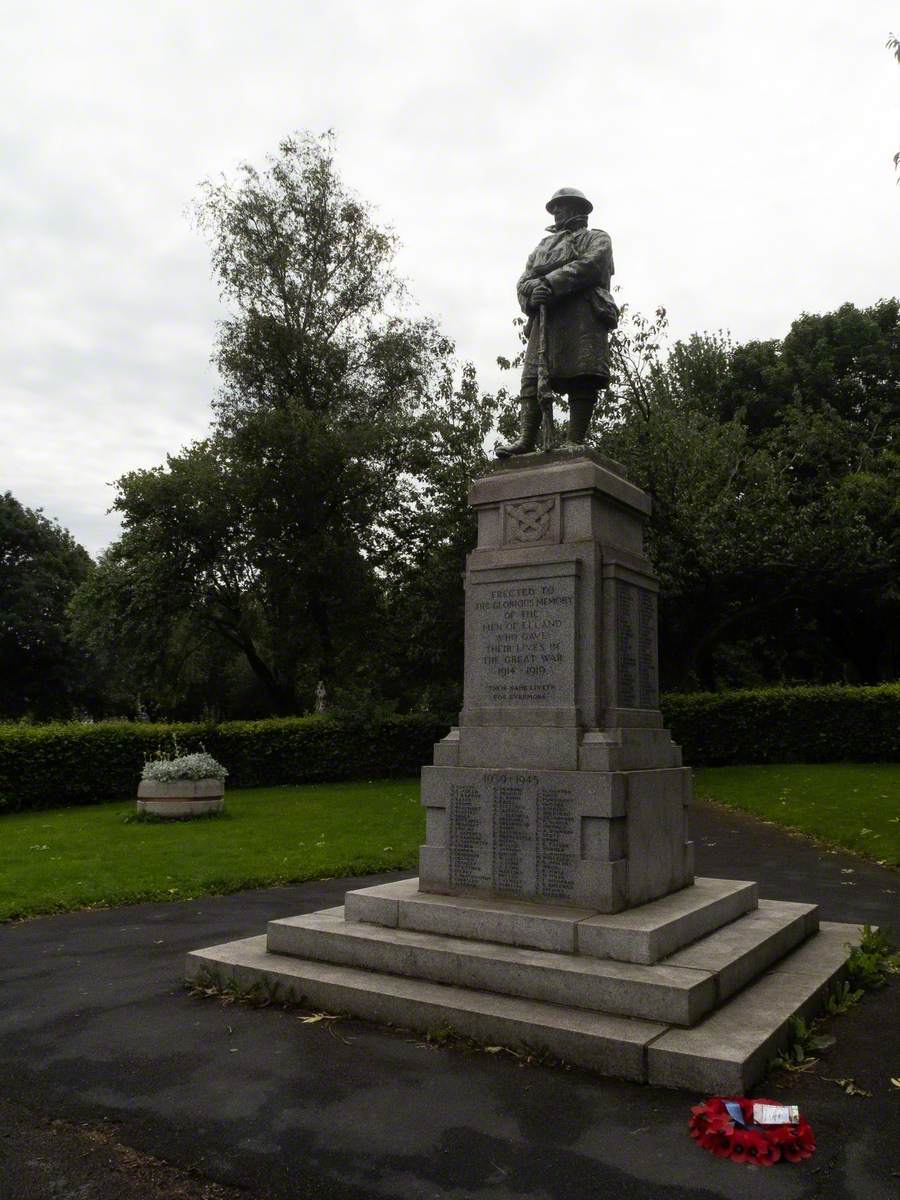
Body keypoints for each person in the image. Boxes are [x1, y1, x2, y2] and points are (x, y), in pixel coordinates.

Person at [496, 188, 618, 457]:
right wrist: (532, 294)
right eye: (554, 208)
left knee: (582, 376)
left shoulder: (597, 238)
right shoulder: (542, 247)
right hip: (546, 318)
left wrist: (549, 282)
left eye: (561, 207)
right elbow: (523, 282)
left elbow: (589, 266)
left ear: (577, 209)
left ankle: (575, 438)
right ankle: (526, 439)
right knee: (532, 378)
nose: (556, 212)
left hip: (582, 317)